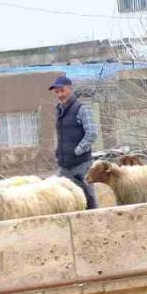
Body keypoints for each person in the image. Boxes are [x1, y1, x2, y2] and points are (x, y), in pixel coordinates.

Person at [49, 75, 98, 209]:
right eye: (57, 92)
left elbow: (92, 133)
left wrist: (78, 150)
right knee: (62, 197)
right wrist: (58, 152)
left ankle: (95, 225)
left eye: (62, 90)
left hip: (82, 164)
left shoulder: (82, 109)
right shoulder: (59, 111)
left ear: (70, 89)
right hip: (65, 165)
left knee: (89, 198)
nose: (60, 94)